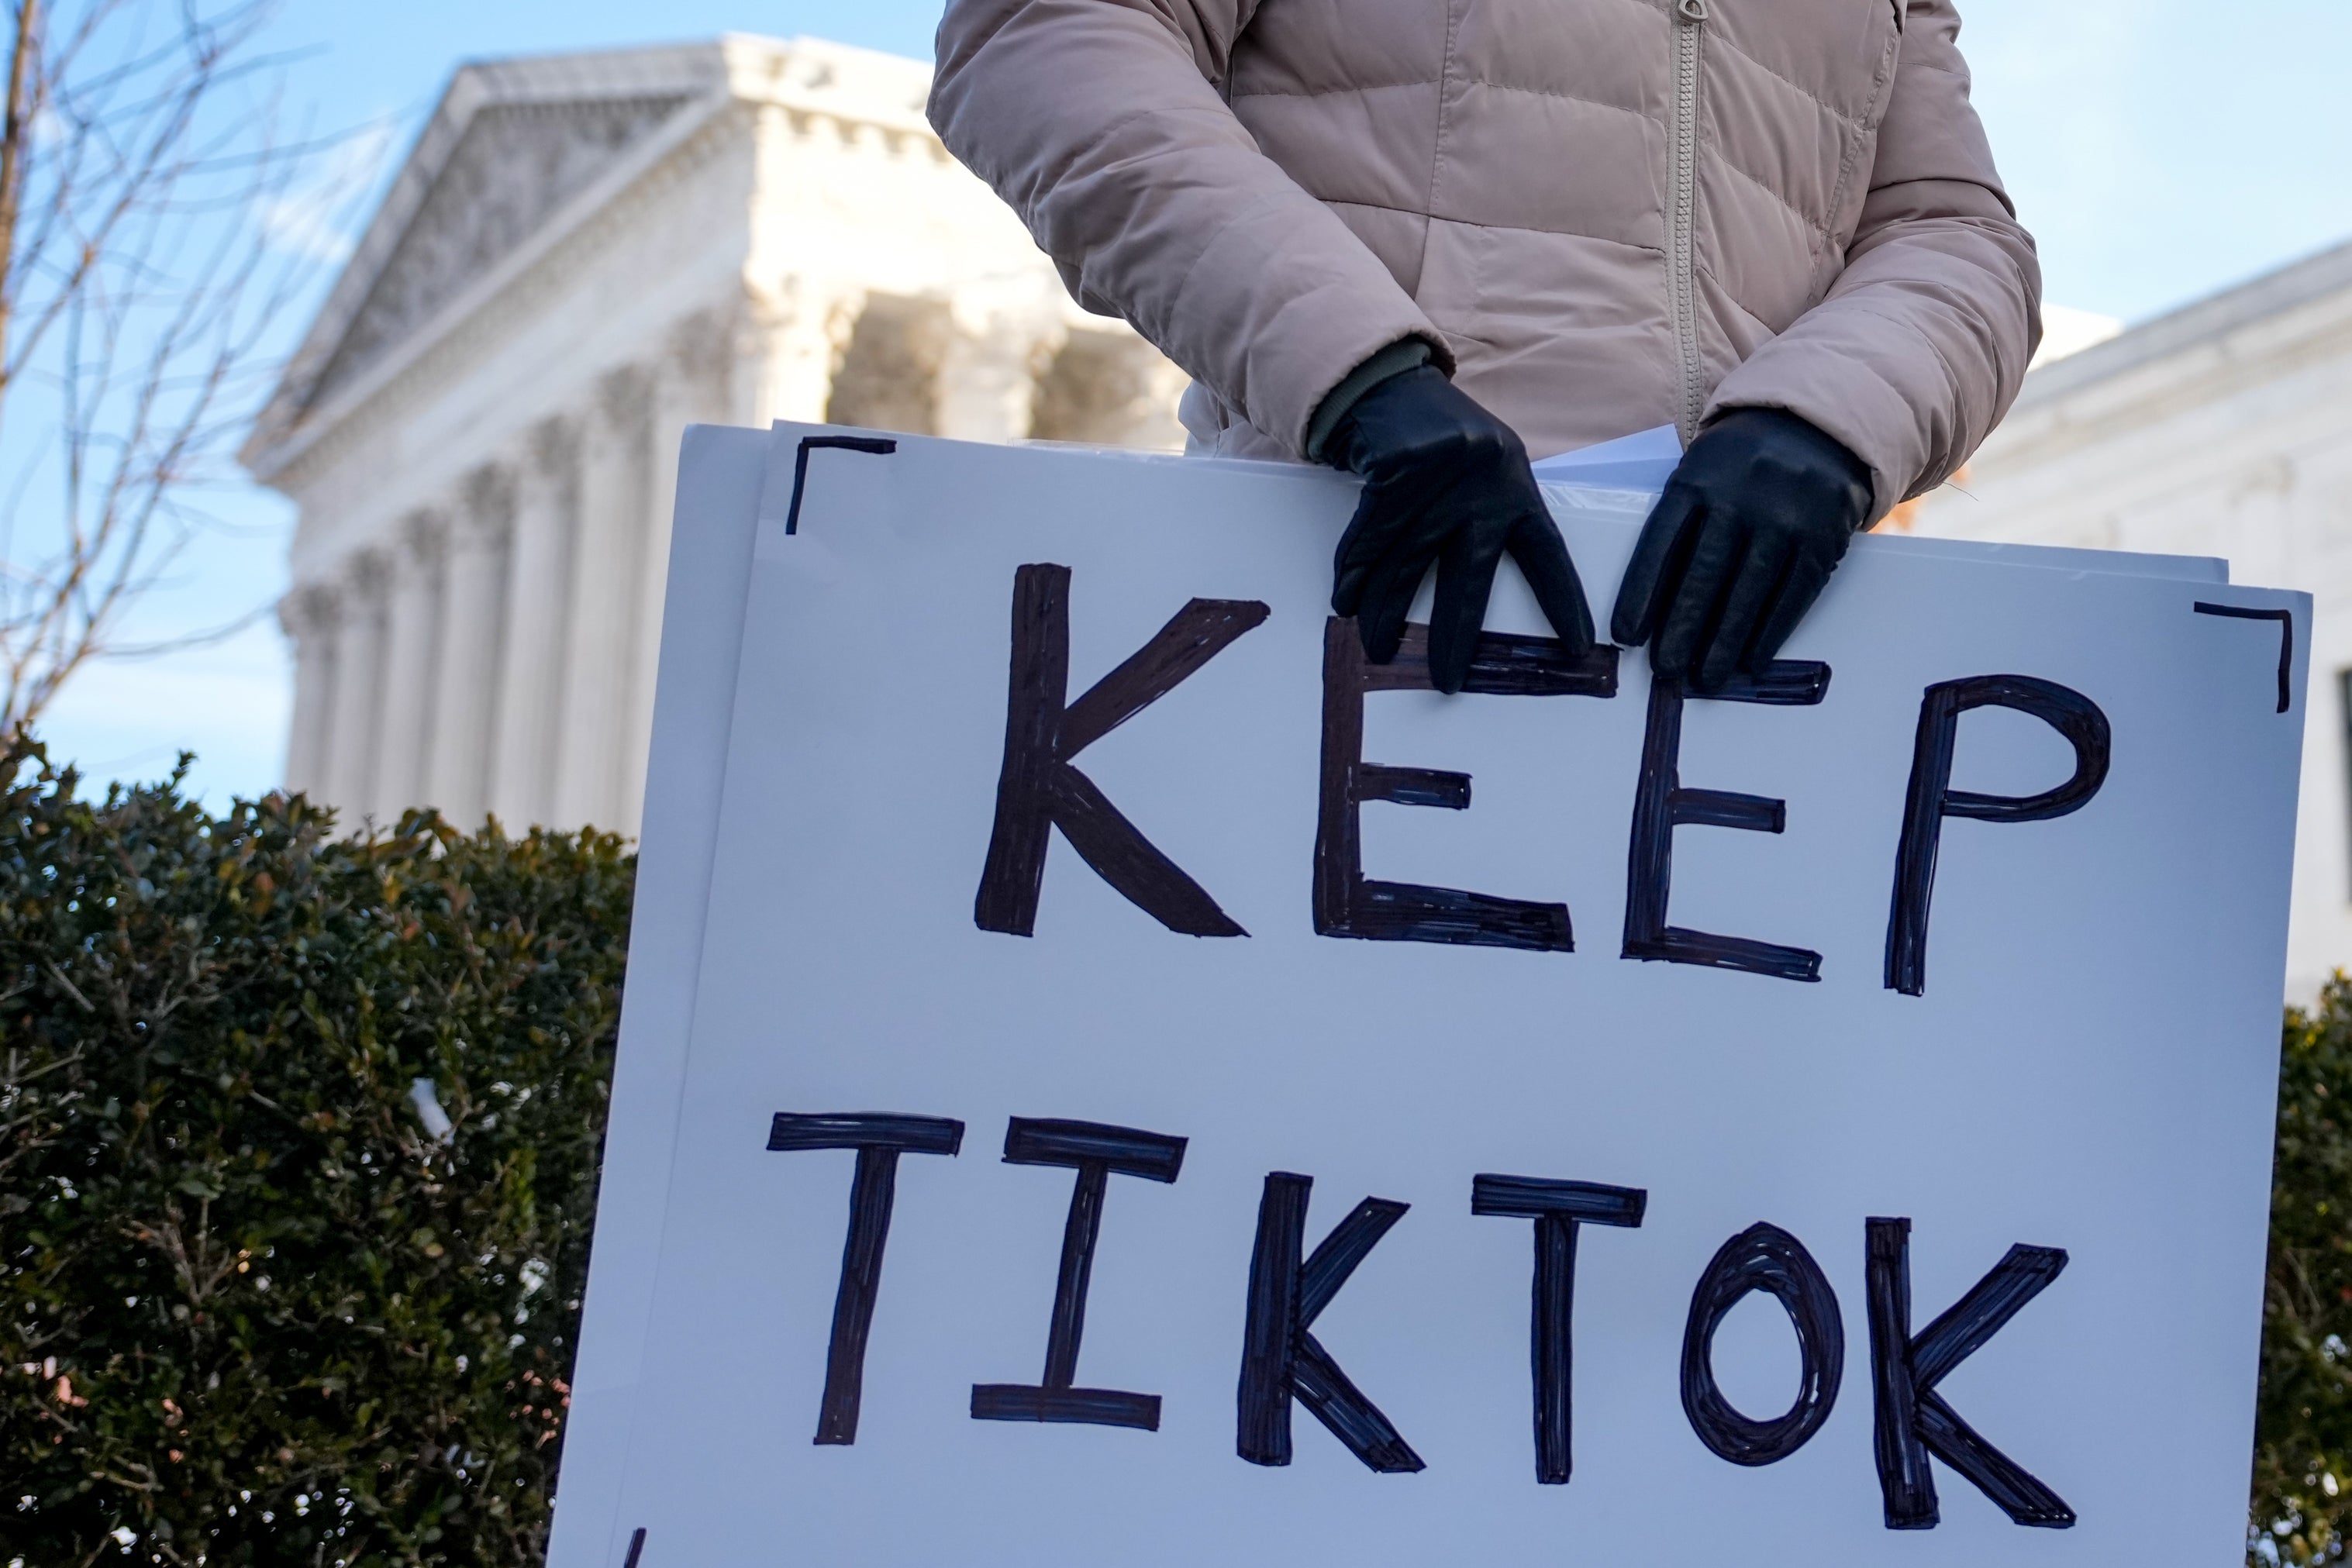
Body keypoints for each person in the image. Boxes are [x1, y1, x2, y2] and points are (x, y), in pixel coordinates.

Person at [929, 0, 2038, 694]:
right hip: (1346, 585)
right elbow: (1049, 36)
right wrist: (1360, 374)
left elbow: (1956, 232)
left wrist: (1828, 420)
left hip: (1730, 662)